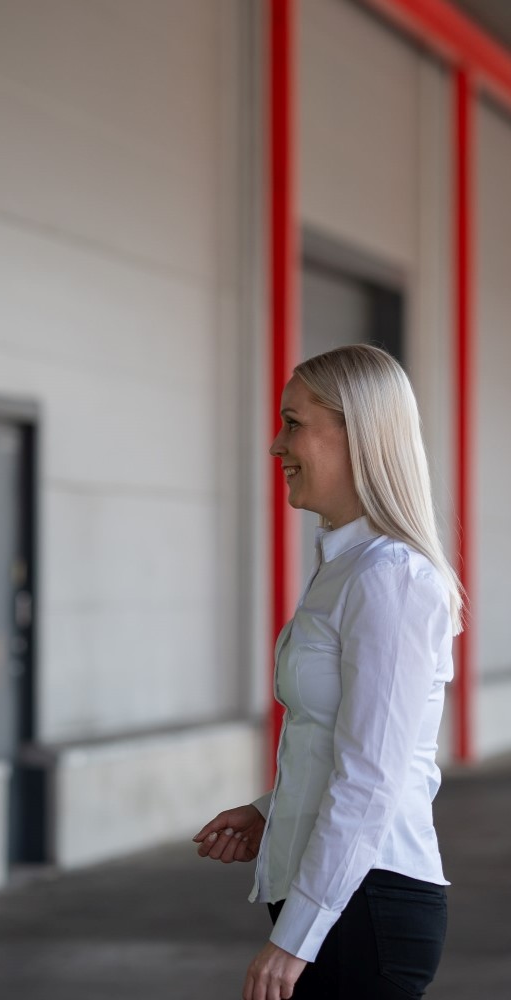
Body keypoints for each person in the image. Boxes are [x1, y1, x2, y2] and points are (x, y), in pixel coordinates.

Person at [193, 344, 462, 1000]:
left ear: (358, 433)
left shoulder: (391, 578)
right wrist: (271, 810)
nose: (276, 445)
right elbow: (339, 741)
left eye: (294, 423)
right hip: (340, 899)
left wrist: (295, 939)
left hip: (367, 906)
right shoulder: (347, 568)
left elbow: (374, 775)